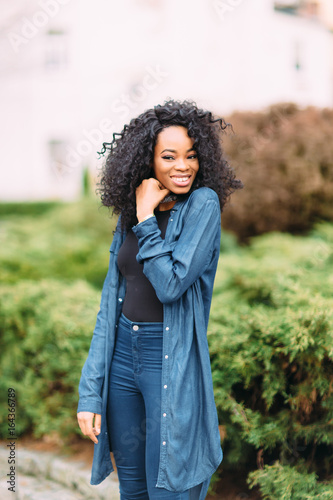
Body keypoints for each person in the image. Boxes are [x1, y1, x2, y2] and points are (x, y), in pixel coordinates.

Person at [77, 99, 243, 500]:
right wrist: (90, 392)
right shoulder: (130, 212)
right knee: (132, 489)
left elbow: (171, 284)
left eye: (191, 156)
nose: (182, 166)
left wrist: (147, 219)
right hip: (121, 362)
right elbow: (109, 304)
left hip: (166, 359)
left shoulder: (201, 207)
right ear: (147, 160)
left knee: (167, 488)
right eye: (168, 156)